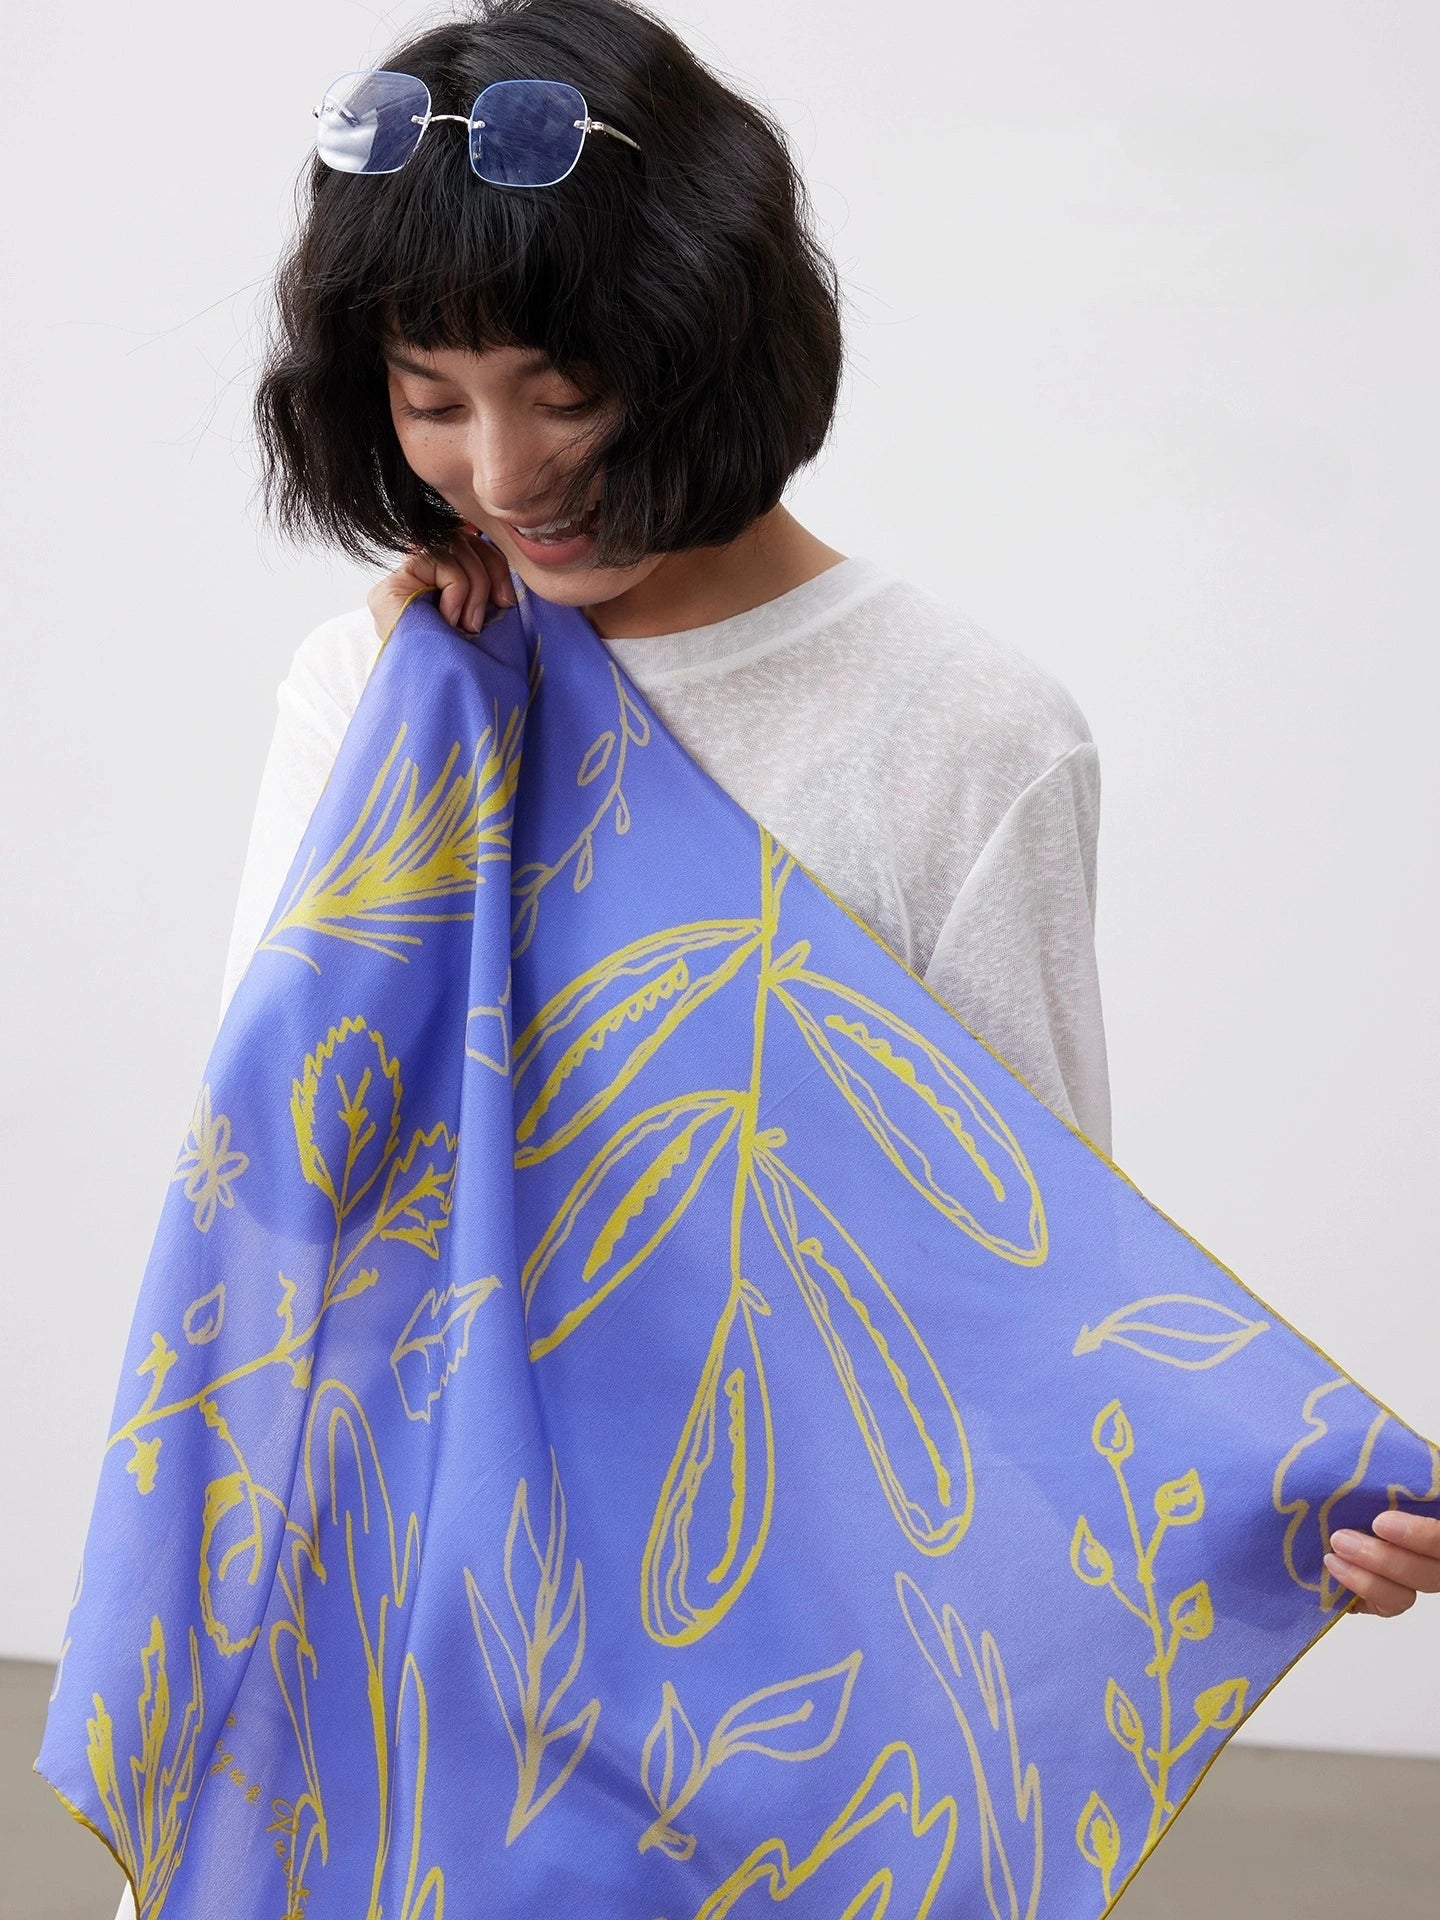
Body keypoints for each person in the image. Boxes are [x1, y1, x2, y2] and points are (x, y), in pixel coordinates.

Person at [110, 2, 1440, 1909]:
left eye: (565, 385)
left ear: (708, 335)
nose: (502, 468)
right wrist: (434, 749)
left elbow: (1004, 1273)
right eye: (430, 395)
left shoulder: (965, 731)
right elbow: (284, 1180)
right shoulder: (380, 691)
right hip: (404, 1610)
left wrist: (1283, 1499)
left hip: (768, 1640)